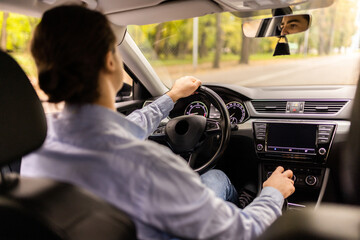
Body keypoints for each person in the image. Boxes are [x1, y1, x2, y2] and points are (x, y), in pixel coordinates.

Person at [21, 5, 295, 240]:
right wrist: (271, 194)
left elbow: (120, 130)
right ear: (110, 61)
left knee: (214, 177)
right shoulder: (146, 165)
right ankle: (245, 202)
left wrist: (171, 96)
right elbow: (242, 232)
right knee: (220, 179)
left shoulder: (36, 146)